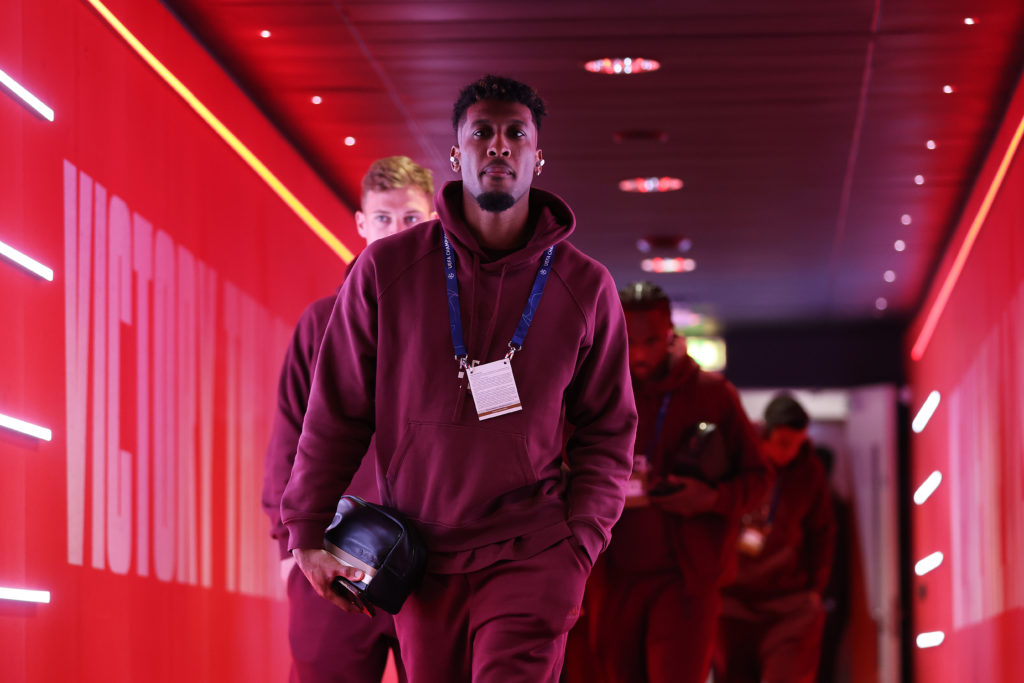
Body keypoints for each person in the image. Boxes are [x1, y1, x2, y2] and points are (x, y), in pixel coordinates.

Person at [281, 74, 637, 683]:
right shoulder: (386, 270)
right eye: (482, 132)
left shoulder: (586, 286)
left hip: (534, 553)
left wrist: (580, 545)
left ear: (536, 155)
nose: (498, 145)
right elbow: (335, 406)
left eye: (514, 133)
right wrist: (306, 529)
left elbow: (609, 427)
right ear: (457, 154)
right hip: (421, 557)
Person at [261, 155, 435, 683]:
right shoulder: (321, 321)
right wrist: (289, 541)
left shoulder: (462, 329)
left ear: (433, 222)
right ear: (361, 224)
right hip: (332, 550)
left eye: (410, 218)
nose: (394, 231)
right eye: (383, 218)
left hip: (434, 558)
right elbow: (289, 433)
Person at [576, 282, 769, 683]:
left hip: (686, 581)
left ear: (670, 337)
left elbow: (760, 481)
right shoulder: (594, 395)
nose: (641, 354)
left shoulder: (713, 395)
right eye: (631, 341)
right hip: (611, 580)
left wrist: (711, 497)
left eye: (652, 341)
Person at [714, 393, 836, 683]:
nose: (791, 452)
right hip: (732, 603)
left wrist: (815, 590)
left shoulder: (809, 470)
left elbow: (823, 531)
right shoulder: (735, 460)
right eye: (784, 443)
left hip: (789, 605)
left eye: (798, 443)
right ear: (762, 433)